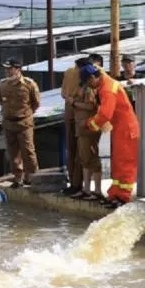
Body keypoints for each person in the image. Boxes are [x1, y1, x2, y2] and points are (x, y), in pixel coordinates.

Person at [80, 63, 140, 209]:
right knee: (118, 163)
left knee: (125, 163)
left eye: (88, 83)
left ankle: (123, 197)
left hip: (126, 129)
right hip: (120, 128)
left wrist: (90, 124)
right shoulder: (104, 86)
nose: (89, 86)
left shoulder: (107, 89)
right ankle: (115, 194)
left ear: (93, 77)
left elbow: (106, 114)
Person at [0, 57, 41, 188]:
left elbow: (36, 103)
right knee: (13, 153)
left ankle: (32, 177)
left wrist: (25, 114)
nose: (8, 71)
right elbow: (0, 100)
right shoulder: (2, 84)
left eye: (10, 69)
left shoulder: (29, 84)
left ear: (18, 69)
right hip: (9, 123)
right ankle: (18, 178)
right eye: (6, 69)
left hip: (24, 123)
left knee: (28, 151)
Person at [69, 69, 104, 201]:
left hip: (89, 128)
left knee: (92, 158)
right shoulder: (81, 87)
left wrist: (74, 103)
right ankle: (87, 189)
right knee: (85, 159)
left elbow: (91, 107)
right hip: (82, 128)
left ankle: (97, 191)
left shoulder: (89, 89)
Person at [60, 57, 91, 195]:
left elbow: (63, 94)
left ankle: (74, 183)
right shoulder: (93, 73)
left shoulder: (68, 72)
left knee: (73, 150)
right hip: (82, 117)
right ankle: (79, 185)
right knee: (82, 152)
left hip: (72, 114)